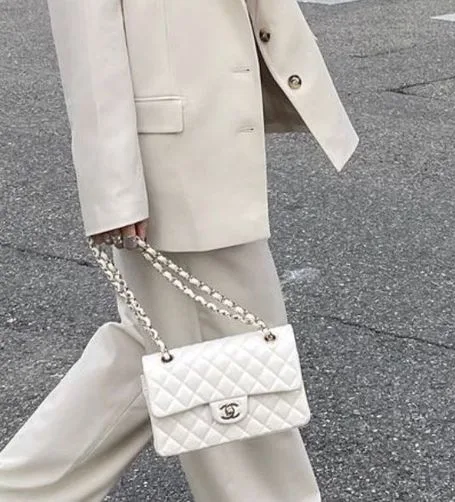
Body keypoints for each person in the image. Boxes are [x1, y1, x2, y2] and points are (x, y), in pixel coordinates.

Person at [0, 0, 358, 500]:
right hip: (171, 165)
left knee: (155, 353)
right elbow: (88, 37)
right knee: (236, 368)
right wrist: (114, 188)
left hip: (202, 141)